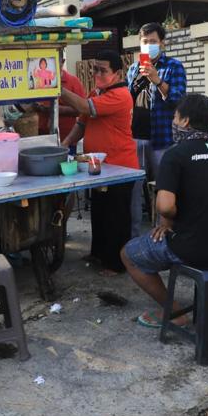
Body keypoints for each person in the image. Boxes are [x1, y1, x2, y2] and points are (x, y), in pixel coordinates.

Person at [120, 94, 208, 328]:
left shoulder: (175, 154)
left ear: (185, 121)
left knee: (128, 254)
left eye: (175, 117)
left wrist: (167, 222)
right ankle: (198, 303)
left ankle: (175, 312)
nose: (173, 122)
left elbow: (165, 206)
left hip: (193, 248)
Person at [61, 50, 138, 276]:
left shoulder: (121, 95)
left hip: (121, 166)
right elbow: (82, 123)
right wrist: (65, 144)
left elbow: (85, 108)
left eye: (103, 70)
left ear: (118, 73)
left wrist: (57, 89)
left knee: (117, 217)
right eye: (95, 69)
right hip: (99, 166)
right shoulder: (97, 92)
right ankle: (98, 254)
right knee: (100, 211)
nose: (97, 74)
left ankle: (116, 264)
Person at [127, 22, 186, 237]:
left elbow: (179, 100)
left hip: (163, 139)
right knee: (133, 189)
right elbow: (127, 100)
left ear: (162, 43)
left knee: (164, 188)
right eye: (145, 42)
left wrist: (157, 80)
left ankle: (164, 234)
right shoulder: (133, 68)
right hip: (136, 137)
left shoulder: (173, 67)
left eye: (153, 41)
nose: (148, 45)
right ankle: (134, 236)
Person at [29, 53, 87, 140]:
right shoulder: (38, 81)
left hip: (67, 137)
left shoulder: (73, 81)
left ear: (62, 62)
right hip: (42, 135)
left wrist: (55, 109)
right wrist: (37, 106)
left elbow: (82, 111)